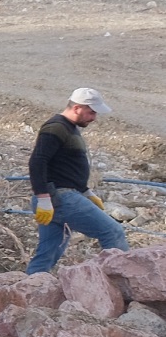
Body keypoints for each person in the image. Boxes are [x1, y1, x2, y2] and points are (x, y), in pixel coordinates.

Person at [25, 88, 128, 274]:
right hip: (61, 198)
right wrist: (43, 197)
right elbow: (37, 161)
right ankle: (122, 283)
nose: (94, 117)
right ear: (78, 108)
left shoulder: (68, 128)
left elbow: (66, 167)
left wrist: (86, 191)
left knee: (48, 251)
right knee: (112, 232)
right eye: (91, 112)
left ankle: (30, 287)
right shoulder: (56, 127)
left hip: (59, 197)